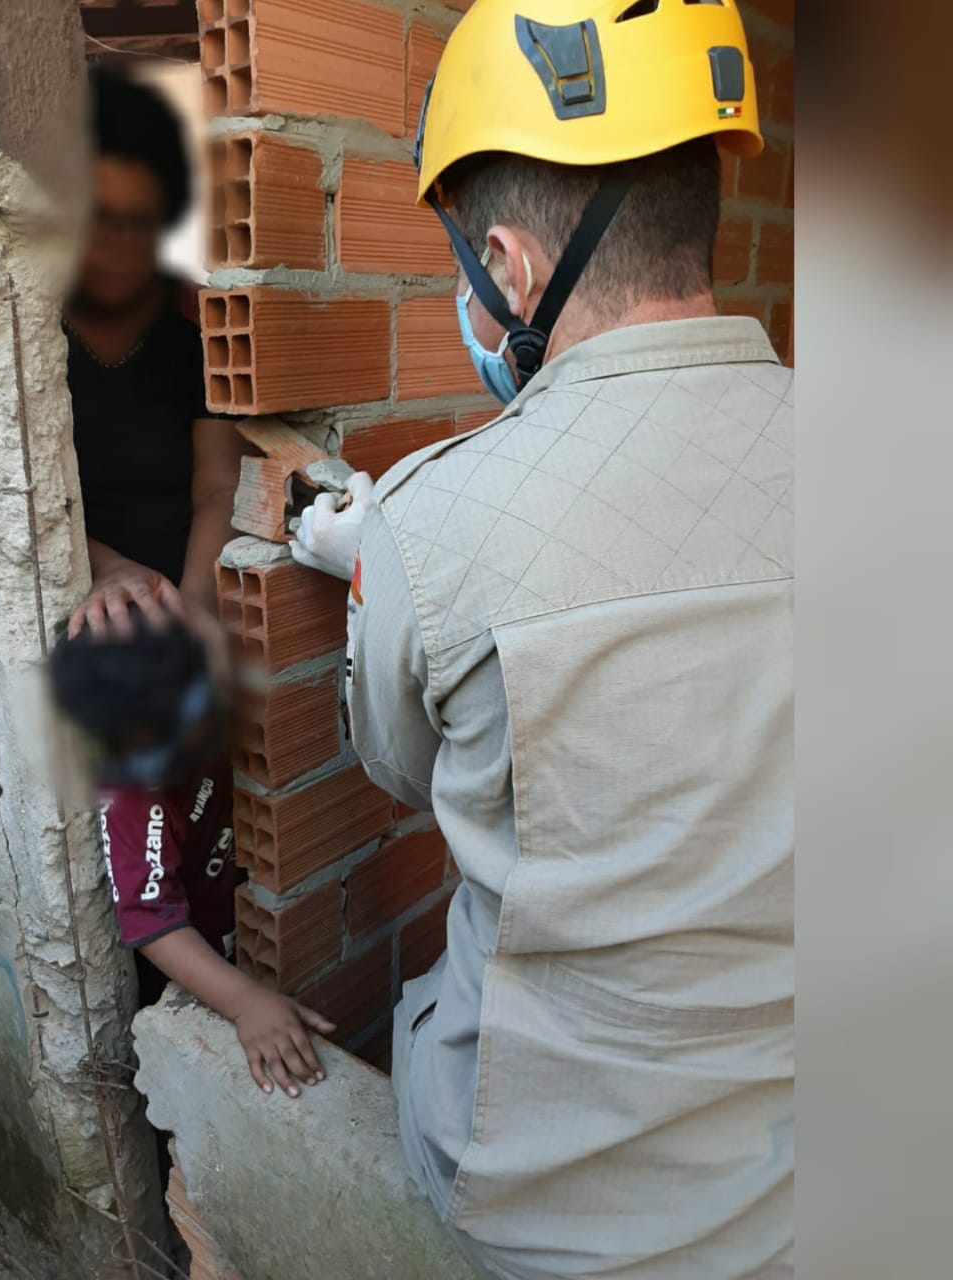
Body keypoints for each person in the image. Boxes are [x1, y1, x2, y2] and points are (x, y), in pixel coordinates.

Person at [293, 2, 793, 1277]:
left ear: (508, 268)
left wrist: (391, 563)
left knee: (423, 1016)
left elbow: (404, 772)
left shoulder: (428, 518)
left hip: (546, 1211)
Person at [49, 611, 335, 1102]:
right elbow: (148, 917)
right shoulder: (132, 796)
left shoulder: (215, 712)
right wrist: (244, 1003)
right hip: (201, 965)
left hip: (247, 923)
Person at [65, 66, 245, 640]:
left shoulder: (190, 339)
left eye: (137, 222)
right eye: (99, 219)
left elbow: (219, 488)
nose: (118, 245)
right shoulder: (27, 349)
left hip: (181, 594)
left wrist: (192, 609)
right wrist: (110, 570)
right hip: (81, 603)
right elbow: (22, 503)